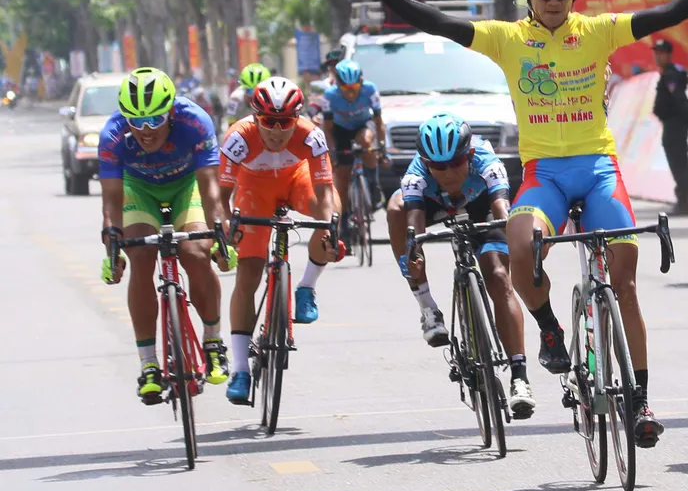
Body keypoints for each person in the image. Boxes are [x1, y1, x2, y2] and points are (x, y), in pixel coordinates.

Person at [352, 0, 688, 447]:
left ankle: (640, 400)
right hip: (544, 174)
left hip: (598, 170)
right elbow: (438, 22)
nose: (553, 0)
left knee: (626, 283)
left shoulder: (598, 31)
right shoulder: (506, 39)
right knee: (519, 246)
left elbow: (668, 13)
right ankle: (548, 328)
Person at [386, 113, 536, 419]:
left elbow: (502, 211)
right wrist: (413, 253)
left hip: (481, 205)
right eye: (438, 166)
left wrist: (518, 244)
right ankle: (428, 309)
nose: (448, 173)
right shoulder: (415, 176)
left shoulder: (488, 163)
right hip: (433, 206)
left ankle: (519, 377)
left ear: (469, 154)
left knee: (498, 277)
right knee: (397, 209)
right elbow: (415, 222)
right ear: (426, 163)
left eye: (455, 163)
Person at [98, 67, 230, 402]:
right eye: (136, 120)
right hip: (139, 189)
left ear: (170, 112)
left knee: (196, 253)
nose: (145, 130)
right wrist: (113, 246)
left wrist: (220, 233)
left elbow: (211, 188)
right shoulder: (112, 134)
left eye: (154, 119)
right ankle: (148, 364)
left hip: (187, 185)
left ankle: (213, 341)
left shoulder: (195, 121)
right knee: (140, 256)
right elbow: (111, 200)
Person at [217, 77, 346, 403]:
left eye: (285, 122)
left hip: (296, 180)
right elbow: (221, 197)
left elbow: (323, 191)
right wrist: (227, 228)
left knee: (332, 211)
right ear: (255, 117)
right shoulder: (238, 138)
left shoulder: (311, 136)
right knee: (248, 275)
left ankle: (306, 287)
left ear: (297, 118)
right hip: (253, 190)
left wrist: (328, 228)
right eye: (268, 121)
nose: (276, 131)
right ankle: (241, 369)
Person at [322, 59, 388, 242]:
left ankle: (374, 185)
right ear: (338, 84)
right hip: (340, 130)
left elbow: (379, 123)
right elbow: (327, 129)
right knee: (342, 176)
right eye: (345, 88)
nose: (350, 92)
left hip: (363, 125)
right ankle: (344, 221)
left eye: (355, 87)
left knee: (366, 141)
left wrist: (382, 147)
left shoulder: (370, 89)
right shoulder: (329, 96)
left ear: (361, 82)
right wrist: (332, 152)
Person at [651, 39, 688, 216]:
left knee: (678, 163)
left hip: (675, 125)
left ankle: (683, 202)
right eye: (656, 53)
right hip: (671, 124)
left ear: (669, 55)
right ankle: (682, 200)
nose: (657, 57)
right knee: (676, 162)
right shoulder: (668, 73)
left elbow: (679, 99)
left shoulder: (671, 75)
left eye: (661, 53)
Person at [226, 62, 272, 126]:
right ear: (244, 88)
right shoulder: (236, 98)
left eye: (260, 93)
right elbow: (231, 125)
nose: (253, 97)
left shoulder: (272, 98)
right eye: (250, 91)